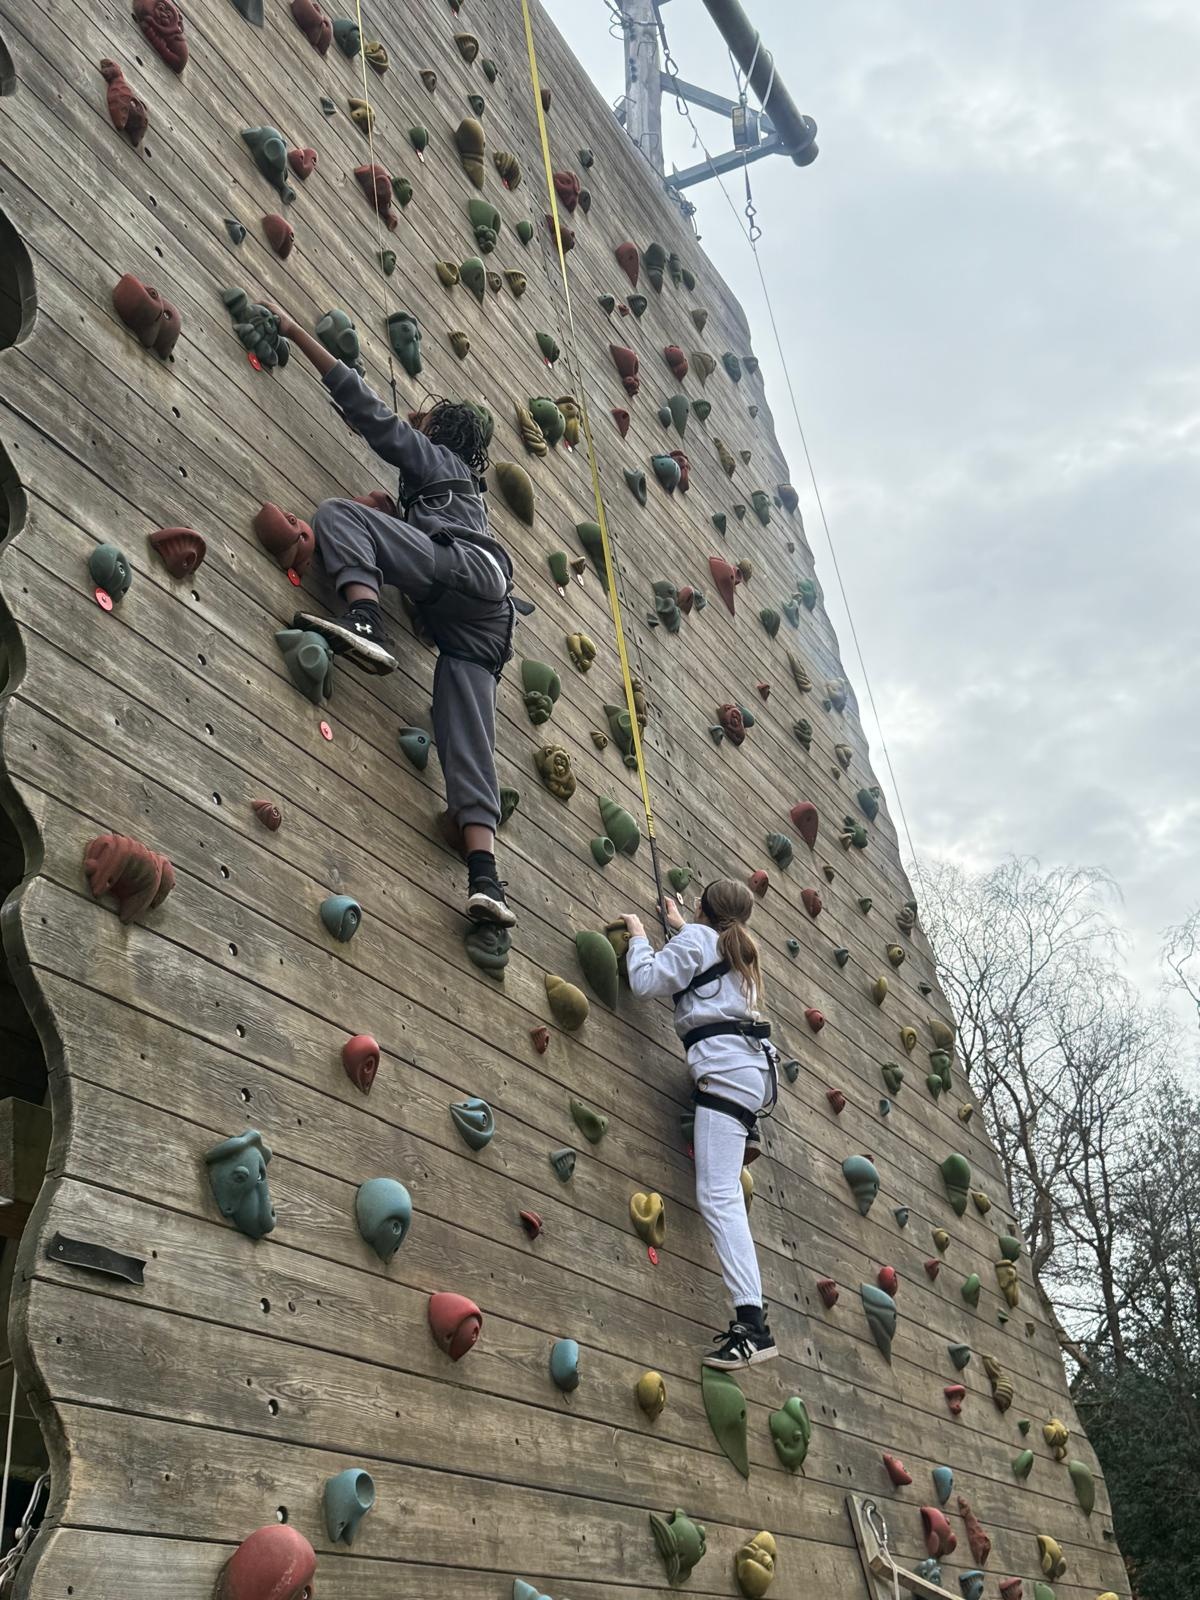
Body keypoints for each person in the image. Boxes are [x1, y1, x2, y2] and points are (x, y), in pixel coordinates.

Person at [269, 307, 517, 928]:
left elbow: (372, 416)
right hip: (486, 622)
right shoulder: (462, 494)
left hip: (464, 573)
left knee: (338, 515)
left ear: (439, 433)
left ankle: (364, 619)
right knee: (467, 738)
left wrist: (297, 333)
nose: (414, 422)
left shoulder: (438, 461)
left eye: (423, 420)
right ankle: (486, 879)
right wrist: (401, 522)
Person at [624, 879, 778, 1368]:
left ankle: (752, 1325)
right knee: (723, 1188)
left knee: (718, 1196)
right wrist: (680, 927)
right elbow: (703, 970)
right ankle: (739, 1131)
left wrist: (638, 937)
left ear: (702, 908)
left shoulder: (699, 940)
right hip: (752, 1075)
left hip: (725, 1077)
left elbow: (645, 982)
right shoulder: (737, 954)